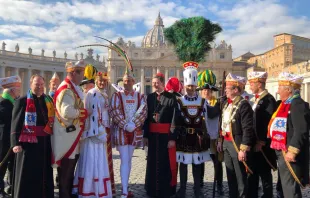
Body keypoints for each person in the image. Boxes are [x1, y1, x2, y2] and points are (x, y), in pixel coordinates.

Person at [176, 63, 220, 198]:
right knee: (183, 164)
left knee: (197, 164)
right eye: (188, 86)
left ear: (196, 86)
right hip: (183, 137)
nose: (190, 88)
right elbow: (175, 121)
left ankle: (197, 189)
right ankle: (182, 189)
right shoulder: (179, 101)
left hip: (198, 138)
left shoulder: (203, 101)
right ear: (185, 86)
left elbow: (211, 115)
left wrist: (220, 104)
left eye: (193, 86)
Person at [11, 74, 55, 198]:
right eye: (37, 84)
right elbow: (15, 123)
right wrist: (15, 143)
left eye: (42, 84)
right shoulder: (22, 100)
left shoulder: (48, 100)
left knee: (44, 174)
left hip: (45, 143)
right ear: (31, 85)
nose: (40, 87)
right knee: (27, 174)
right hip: (28, 144)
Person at [73, 66, 114, 198]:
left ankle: (99, 189)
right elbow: (88, 113)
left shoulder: (105, 94)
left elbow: (104, 114)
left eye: (104, 81)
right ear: (96, 81)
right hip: (92, 132)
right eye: (100, 81)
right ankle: (89, 190)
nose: (102, 83)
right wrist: (94, 130)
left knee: (99, 161)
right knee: (91, 160)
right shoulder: (91, 94)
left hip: (101, 131)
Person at [268, 72, 309, 198]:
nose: (278, 91)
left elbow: (301, 130)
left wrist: (292, 151)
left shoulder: (297, 104)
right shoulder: (285, 104)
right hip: (282, 149)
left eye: (280, 87)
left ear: (288, 90)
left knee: (290, 187)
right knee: (286, 185)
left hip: (289, 151)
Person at [51, 60, 88, 198]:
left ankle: (66, 194)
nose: (83, 77)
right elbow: (67, 112)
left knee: (69, 170)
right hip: (67, 136)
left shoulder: (71, 87)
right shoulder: (66, 89)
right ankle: (64, 195)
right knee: (66, 170)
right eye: (81, 74)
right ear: (73, 73)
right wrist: (83, 113)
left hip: (71, 135)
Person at [109, 68, 147, 198]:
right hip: (121, 132)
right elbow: (114, 111)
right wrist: (124, 124)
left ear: (133, 81)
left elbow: (143, 111)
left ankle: (126, 187)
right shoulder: (117, 95)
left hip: (134, 132)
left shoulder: (139, 96)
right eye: (125, 81)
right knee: (124, 160)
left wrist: (134, 124)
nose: (127, 83)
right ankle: (124, 190)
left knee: (129, 160)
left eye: (129, 81)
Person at [217, 73, 255, 198]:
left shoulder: (243, 105)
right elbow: (222, 124)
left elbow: (247, 128)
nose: (225, 91)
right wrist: (220, 141)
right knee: (230, 174)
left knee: (240, 176)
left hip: (236, 144)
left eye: (227, 89)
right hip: (226, 143)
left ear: (235, 90)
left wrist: (243, 149)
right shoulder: (226, 103)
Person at [143, 73, 180, 198]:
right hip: (153, 137)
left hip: (165, 137)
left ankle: (166, 190)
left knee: (166, 164)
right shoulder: (150, 97)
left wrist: (172, 138)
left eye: (157, 83)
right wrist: (146, 136)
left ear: (162, 83)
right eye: (153, 83)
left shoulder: (171, 97)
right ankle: (151, 189)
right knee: (152, 163)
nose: (154, 85)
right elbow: (147, 118)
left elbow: (175, 119)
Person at [247, 71, 277, 198]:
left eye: (252, 83)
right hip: (254, 144)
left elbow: (269, 122)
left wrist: (262, 141)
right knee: (253, 173)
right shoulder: (255, 99)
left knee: (265, 174)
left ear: (259, 84)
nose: (250, 86)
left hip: (263, 146)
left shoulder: (269, 100)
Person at [197, 69, 223, 195]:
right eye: (204, 90)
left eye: (208, 90)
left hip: (212, 136)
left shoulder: (216, 103)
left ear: (211, 91)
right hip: (201, 135)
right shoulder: (198, 102)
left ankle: (219, 184)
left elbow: (214, 115)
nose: (206, 92)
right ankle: (200, 181)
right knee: (200, 160)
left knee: (216, 161)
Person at [0, 76, 21, 198]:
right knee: (2, 166)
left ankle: (11, 187)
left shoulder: (11, 103)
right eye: (17, 90)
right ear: (12, 91)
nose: (19, 92)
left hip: (10, 141)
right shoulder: (4, 104)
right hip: (4, 141)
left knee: (12, 165)